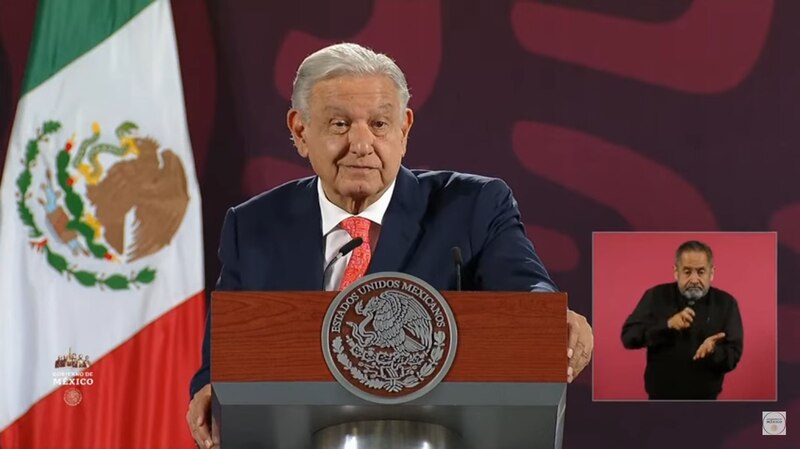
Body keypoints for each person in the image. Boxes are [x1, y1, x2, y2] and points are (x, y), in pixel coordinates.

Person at [186, 42, 594, 448]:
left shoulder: (473, 207)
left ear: (404, 130)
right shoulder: (254, 225)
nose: (362, 145)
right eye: (340, 124)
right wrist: (209, 390)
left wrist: (554, 317)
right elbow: (226, 355)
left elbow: (526, 293)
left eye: (379, 124)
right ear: (300, 130)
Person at [621, 240, 743, 400]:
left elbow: (733, 356)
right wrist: (667, 325)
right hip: (659, 399)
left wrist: (714, 350)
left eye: (700, 272)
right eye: (687, 271)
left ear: (711, 273)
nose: (694, 279)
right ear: (676, 272)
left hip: (706, 401)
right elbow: (629, 338)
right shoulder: (655, 296)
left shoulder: (726, 303)